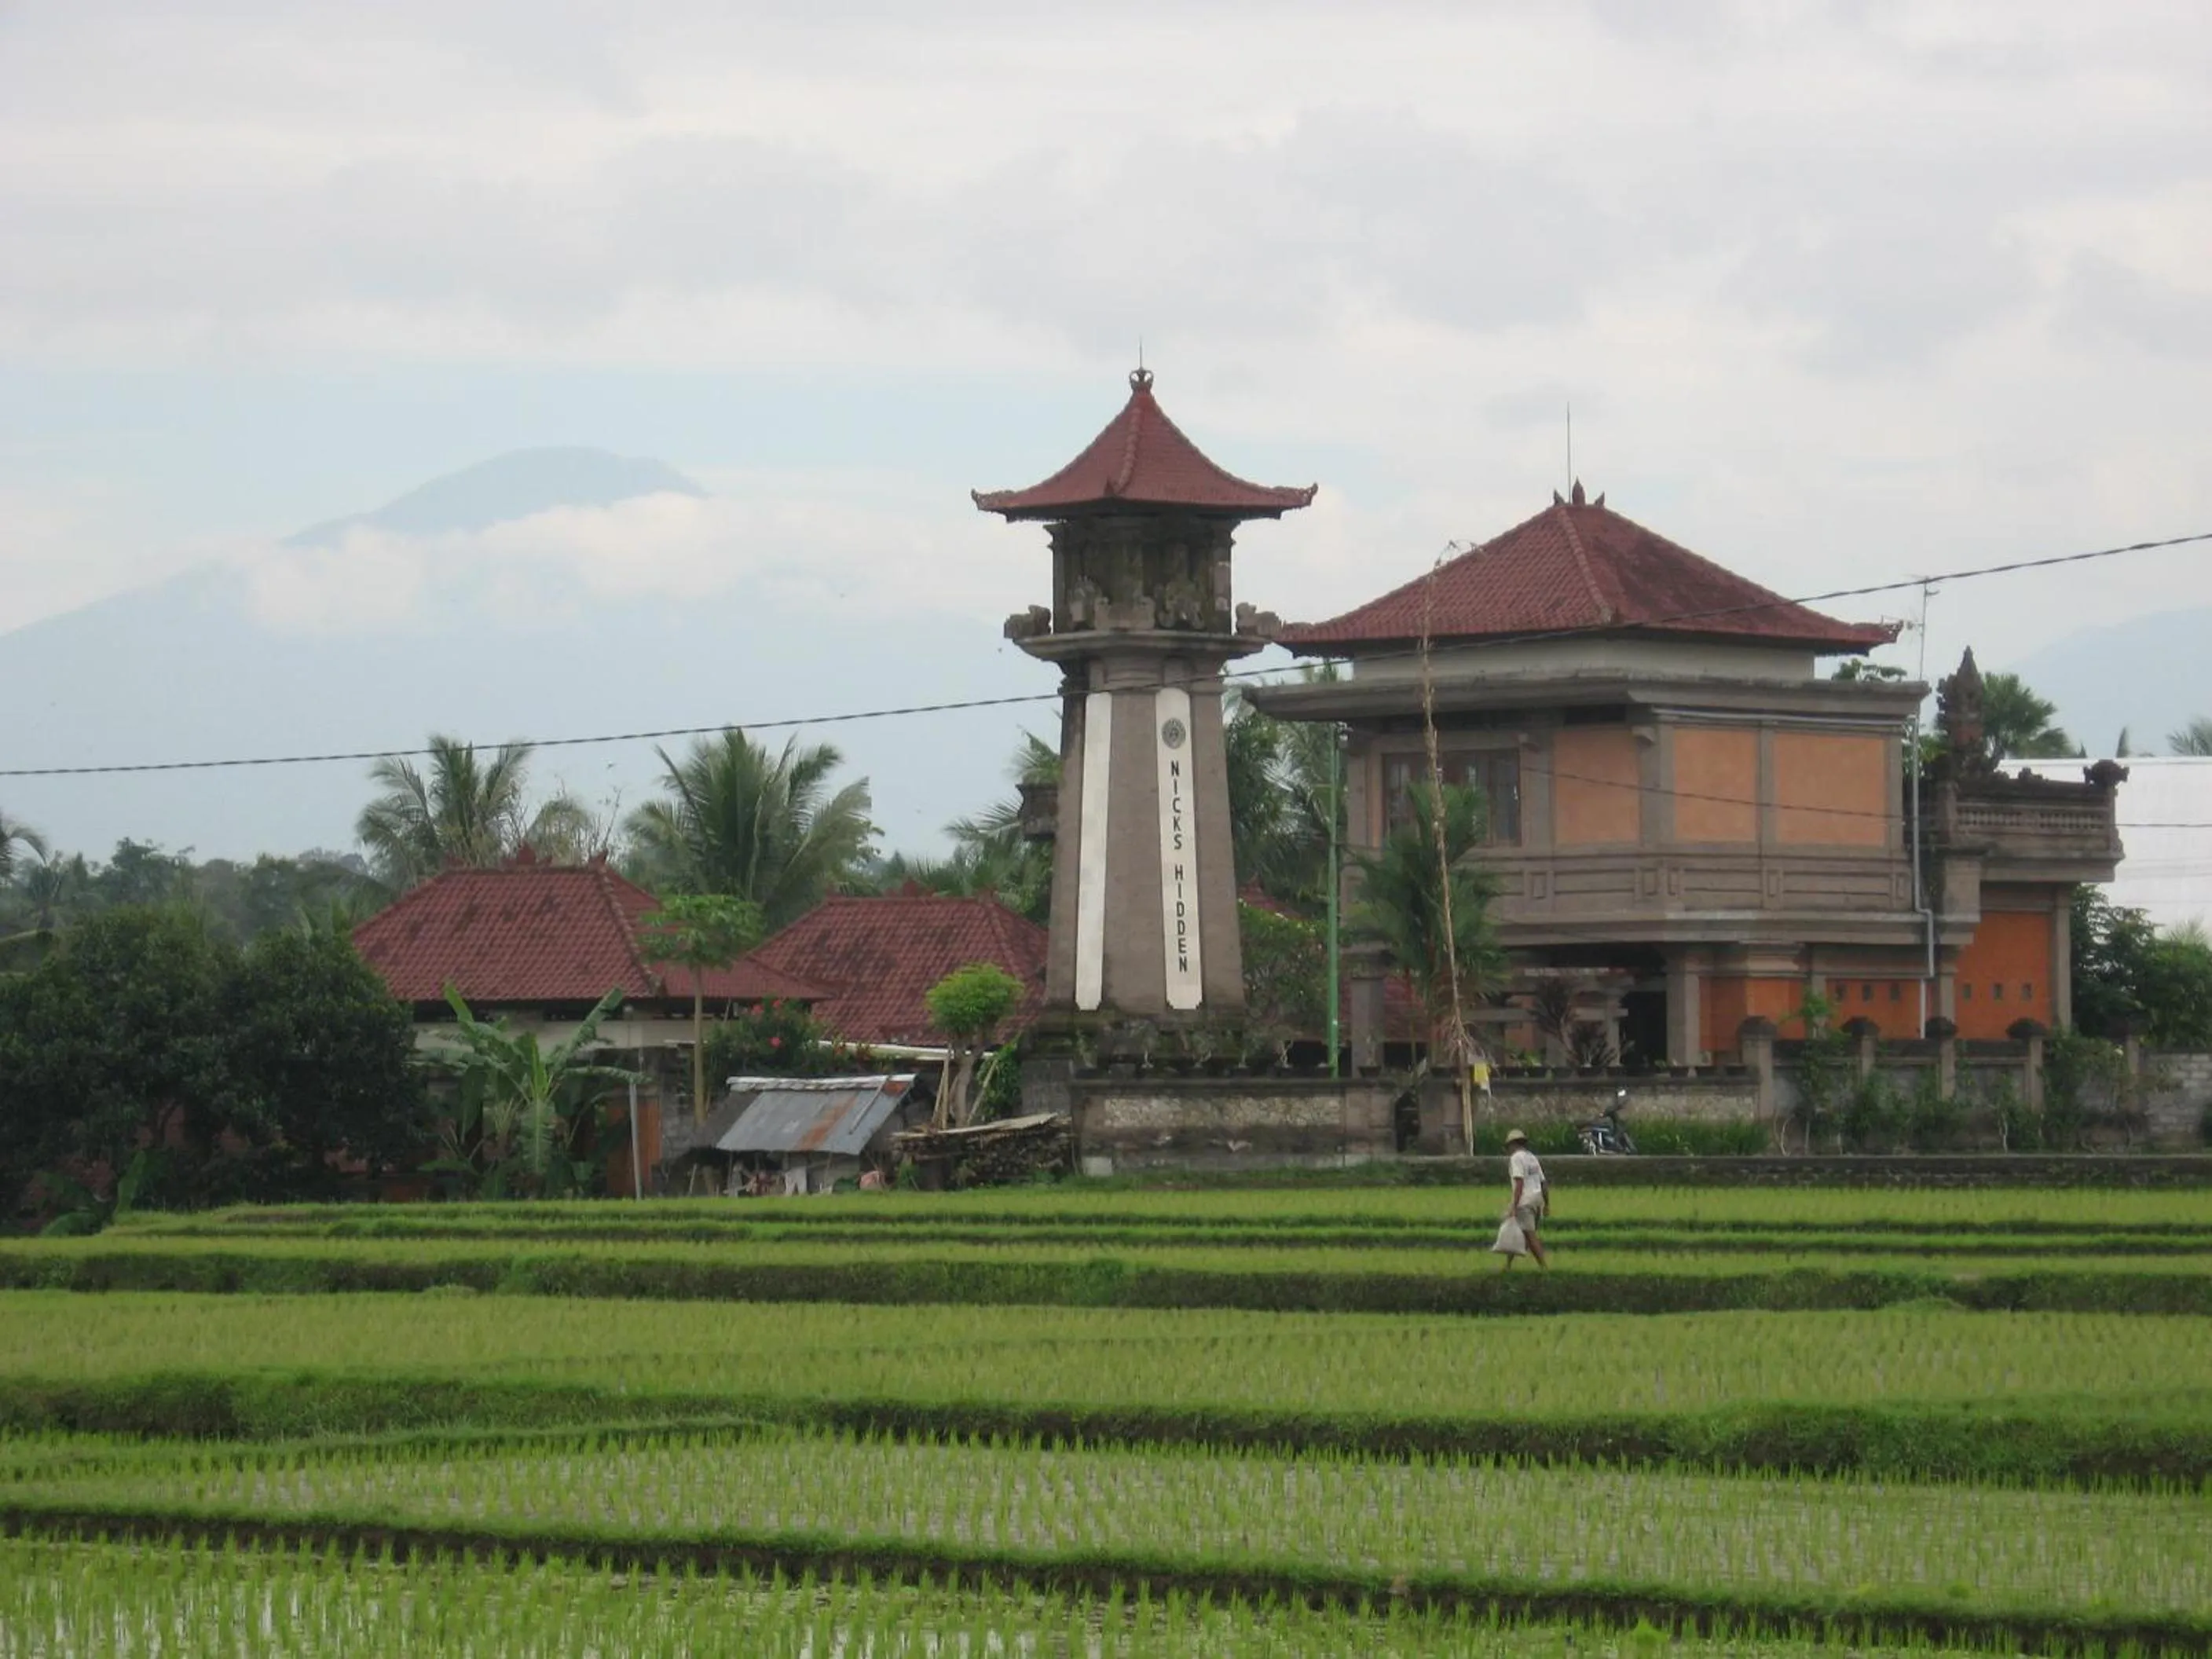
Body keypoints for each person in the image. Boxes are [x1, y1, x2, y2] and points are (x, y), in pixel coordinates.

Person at [1497, 1128, 1549, 1269]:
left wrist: (1514, 1205)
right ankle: (1508, 1266)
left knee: (1530, 1236)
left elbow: (1519, 1183)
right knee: (1518, 1232)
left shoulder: (1516, 1158)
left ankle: (1544, 1267)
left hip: (1525, 1202)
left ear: (1513, 1145)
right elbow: (1543, 1182)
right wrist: (1546, 1204)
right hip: (1537, 1200)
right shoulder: (1532, 1158)